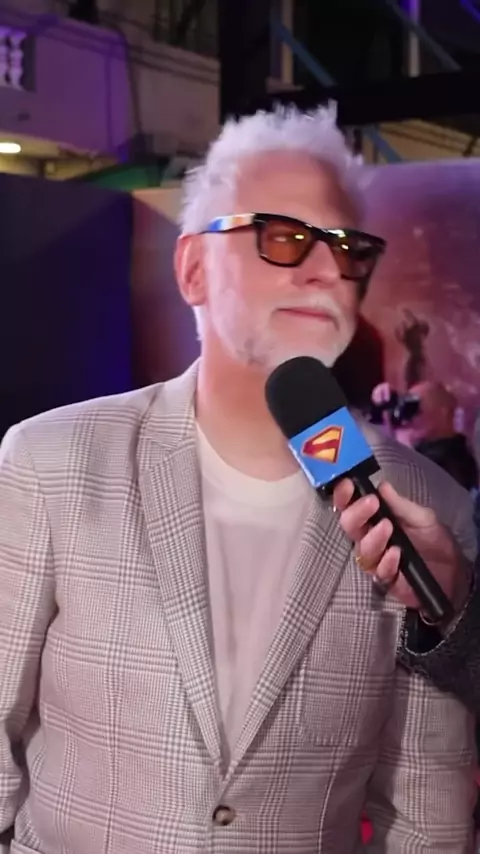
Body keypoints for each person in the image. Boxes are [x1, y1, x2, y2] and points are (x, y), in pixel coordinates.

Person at [0, 105, 476, 854]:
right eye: (282, 236)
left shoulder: (422, 504)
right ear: (193, 268)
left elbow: (426, 807)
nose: (326, 270)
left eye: (347, 248)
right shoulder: (50, 461)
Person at [371, 380, 479, 491]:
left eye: (416, 407)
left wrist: (403, 444)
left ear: (442, 413)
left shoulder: (455, 460)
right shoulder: (425, 449)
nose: (411, 418)